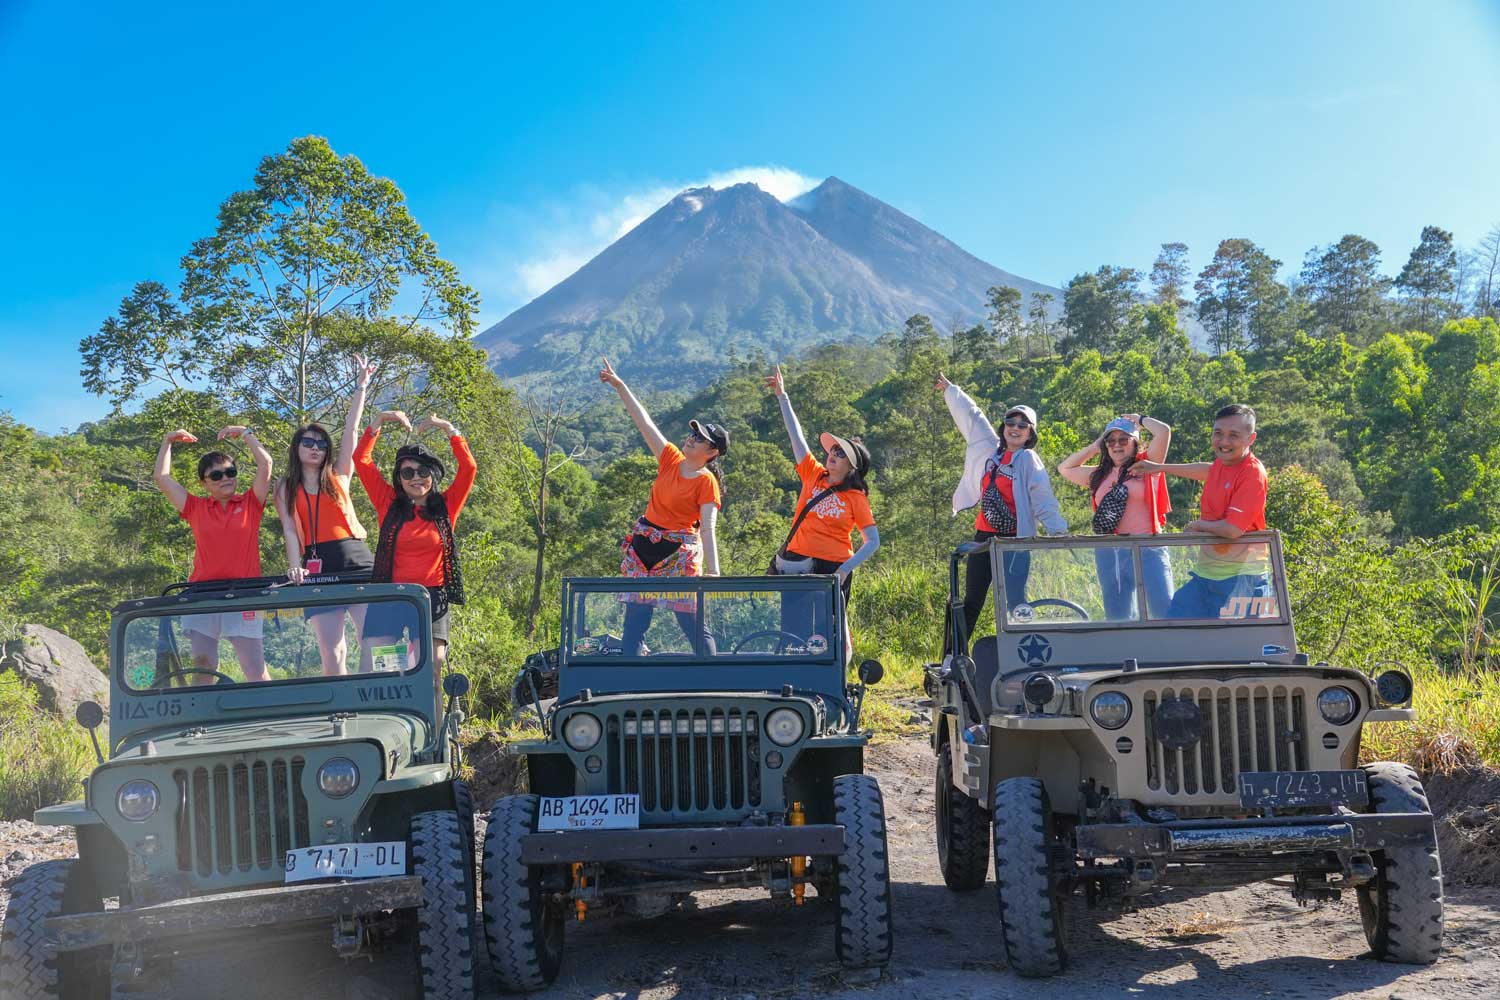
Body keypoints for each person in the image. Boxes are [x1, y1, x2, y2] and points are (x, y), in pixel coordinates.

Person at [600, 358, 724, 656]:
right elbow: (644, 423)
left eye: (700, 439)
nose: (692, 439)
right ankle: (631, 683)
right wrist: (621, 386)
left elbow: (707, 526)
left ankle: (715, 678)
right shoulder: (670, 458)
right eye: (693, 434)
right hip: (644, 548)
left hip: (677, 556)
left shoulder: (706, 481)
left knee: (692, 623)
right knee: (635, 622)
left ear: (712, 452)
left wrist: (714, 571)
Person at [937, 373, 1068, 641]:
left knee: (1016, 603)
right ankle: (954, 658)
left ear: (1031, 433)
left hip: (1014, 542)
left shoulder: (1028, 459)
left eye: (1023, 424)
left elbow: (1042, 497)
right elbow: (973, 418)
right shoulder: (991, 452)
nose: (1015, 428)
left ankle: (1024, 654)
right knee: (972, 600)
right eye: (1011, 422)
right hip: (983, 540)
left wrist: (1059, 532)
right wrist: (952, 391)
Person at [764, 365, 880, 660]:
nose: (833, 455)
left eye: (841, 454)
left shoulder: (856, 497)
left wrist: (844, 570)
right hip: (798, 563)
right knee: (792, 630)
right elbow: (797, 439)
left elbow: (873, 542)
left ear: (852, 467)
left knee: (825, 632)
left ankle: (828, 682)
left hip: (832, 569)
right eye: (833, 450)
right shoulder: (813, 475)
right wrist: (782, 396)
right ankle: (792, 679)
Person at [273, 354, 378, 675]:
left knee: (373, 638)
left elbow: (351, 431)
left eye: (321, 443)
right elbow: (290, 530)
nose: (316, 447)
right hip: (318, 565)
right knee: (331, 648)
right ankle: (342, 709)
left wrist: (361, 386)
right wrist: (294, 567)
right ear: (297, 447)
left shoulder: (340, 475)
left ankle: (381, 701)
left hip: (357, 560)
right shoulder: (285, 487)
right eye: (308, 442)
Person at [353, 410, 475, 673]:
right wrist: (378, 422)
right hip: (390, 595)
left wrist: (449, 428)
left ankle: (433, 716)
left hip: (431, 597)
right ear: (399, 479)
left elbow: (469, 468)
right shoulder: (387, 504)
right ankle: (378, 713)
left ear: (432, 475)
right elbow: (361, 460)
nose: (416, 477)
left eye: (422, 471)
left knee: (432, 670)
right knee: (373, 667)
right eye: (407, 473)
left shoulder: (447, 507)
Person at [152, 425, 272, 682]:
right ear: (204, 483)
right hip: (203, 595)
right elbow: (162, 478)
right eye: (216, 475)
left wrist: (245, 432)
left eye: (230, 472)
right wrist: (168, 440)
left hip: (244, 595)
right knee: (202, 669)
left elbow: (266, 464)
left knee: (255, 670)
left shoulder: (251, 503)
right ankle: (200, 721)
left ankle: (274, 721)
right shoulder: (196, 507)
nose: (225, 478)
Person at [1130, 403, 1269, 620]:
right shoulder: (1224, 464)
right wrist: (1158, 467)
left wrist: (1197, 526)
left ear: (1251, 439)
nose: (1223, 442)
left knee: (1232, 650)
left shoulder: (1252, 473)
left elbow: (1232, 529)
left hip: (1242, 579)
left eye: (1233, 435)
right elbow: (1207, 469)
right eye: (1218, 434)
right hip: (1207, 576)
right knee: (1174, 627)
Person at [1058, 414, 1174, 619]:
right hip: (1110, 552)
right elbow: (1065, 468)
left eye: (1123, 440)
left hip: (1148, 548)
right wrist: (1096, 445)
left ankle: (1166, 651)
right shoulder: (1099, 474)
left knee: (1163, 612)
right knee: (1119, 617)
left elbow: (1163, 431)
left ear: (1135, 443)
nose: (1116, 445)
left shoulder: (1148, 466)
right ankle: (1127, 652)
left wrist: (1140, 419)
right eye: (1110, 441)